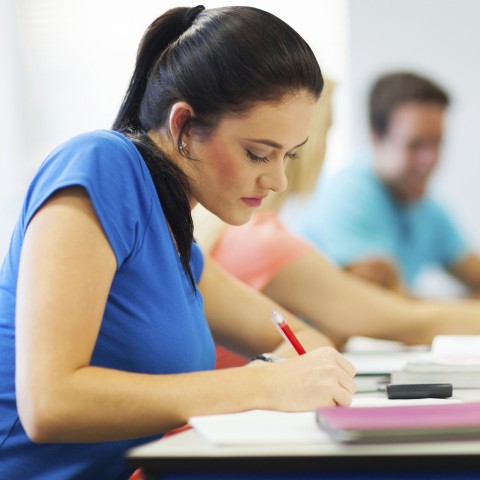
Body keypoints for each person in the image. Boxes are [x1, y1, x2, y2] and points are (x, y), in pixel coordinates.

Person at [0, 6, 358, 479]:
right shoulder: (101, 166)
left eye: (289, 156)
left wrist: (287, 375)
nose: (278, 180)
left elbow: (298, 338)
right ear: (184, 126)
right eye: (258, 153)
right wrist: (263, 385)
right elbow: (50, 403)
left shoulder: (177, 242)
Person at [193, 75, 480, 368]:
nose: (429, 159)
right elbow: (407, 321)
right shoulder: (264, 242)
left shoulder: (245, 235)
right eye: (327, 133)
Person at [295, 71, 480, 296]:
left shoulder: (424, 206)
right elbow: (388, 309)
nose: (430, 159)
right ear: (375, 137)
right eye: (416, 144)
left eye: (437, 143)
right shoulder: (350, 196)